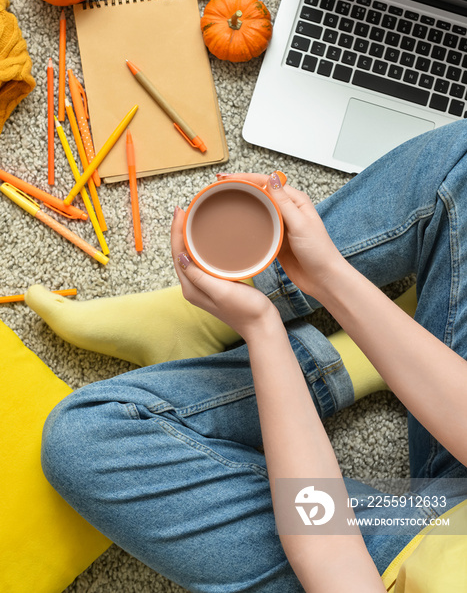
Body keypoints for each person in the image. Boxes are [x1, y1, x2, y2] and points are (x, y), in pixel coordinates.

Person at [25, 119, 467, 592]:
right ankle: (222, 309)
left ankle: (326, 354)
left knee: (88, 439)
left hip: (384, 561)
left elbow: (328, 548)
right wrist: (328, 277)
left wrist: (261, 328)